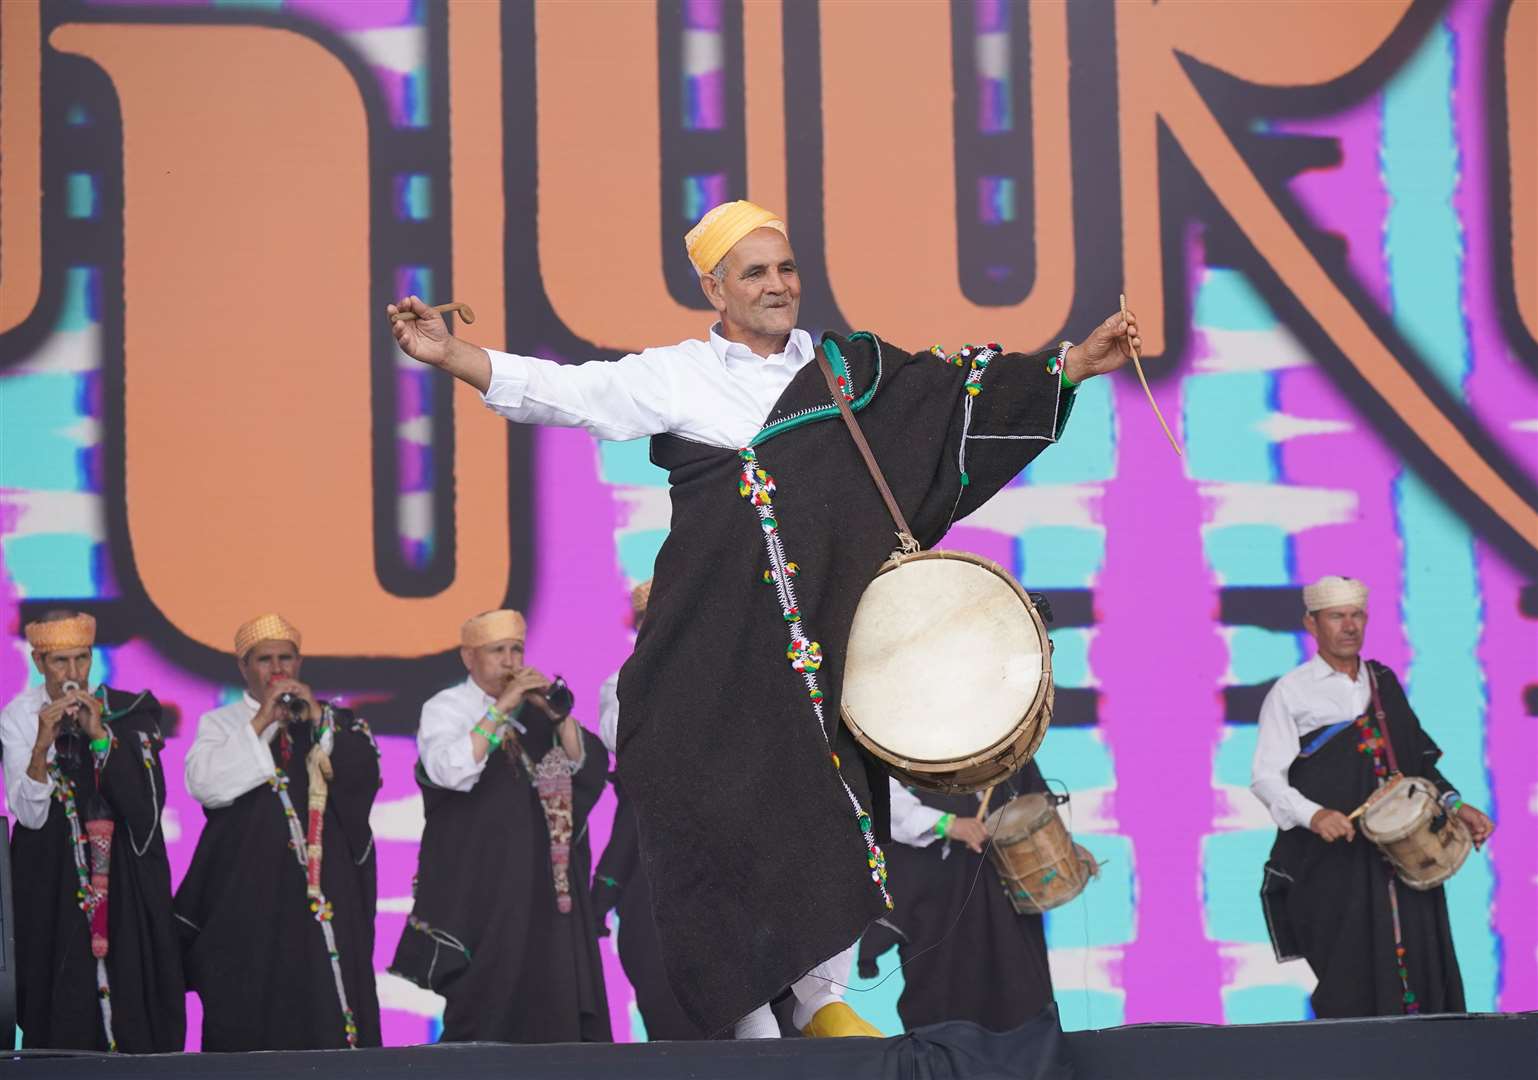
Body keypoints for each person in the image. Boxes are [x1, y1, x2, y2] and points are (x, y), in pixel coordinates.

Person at [387, 198, 1142, 1038]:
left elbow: (956, 404)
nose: (779, 286)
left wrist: (1073, 364)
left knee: (820, 794)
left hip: (827, 634)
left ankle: (819, 995)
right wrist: (450, 353)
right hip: (713, 635)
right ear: (714, 287)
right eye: (755, 273)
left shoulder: (855, 370)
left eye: (786, 268)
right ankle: (747, 1019)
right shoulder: (676, 376)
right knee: (692, 785)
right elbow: (564, 392)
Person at [1253, 576, 1494, 1017]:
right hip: (1335, 863)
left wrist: (1457, 806)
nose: (1349, 626)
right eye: (1336, 616)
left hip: (1406, 858)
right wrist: (1315, 815)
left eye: (1356, 615)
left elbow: (1418, 767)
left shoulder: (1383, 683)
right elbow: (1266, 779)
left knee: (1422, 968)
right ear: (1312, 623)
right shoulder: (1292, 692)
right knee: (1349, 974)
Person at [391, 609, 611, 1043]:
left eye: (516, 650)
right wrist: (503, 708)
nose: (511, 661)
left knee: (553, 1003)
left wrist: (557, 714)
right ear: (469, 657)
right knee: (482, 1005)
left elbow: (587, 768)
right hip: (478, 889)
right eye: (498, 652)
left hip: (544, 888)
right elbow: (449, 770)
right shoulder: (446, 707)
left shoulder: (536, 711)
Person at [175, 614, 382, 1050]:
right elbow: (206, 786)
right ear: (243, 667)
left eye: (285, 658)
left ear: (299, 662)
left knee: (327, 1010)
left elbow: (365, 776)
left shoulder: (330, 720)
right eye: (265, 659)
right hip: (248, 903)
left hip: (324, 898)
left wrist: (320, 716)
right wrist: (264, 719)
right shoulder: (222, 724)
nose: (277, 669)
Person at [2, 611, 183, 1052]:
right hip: (51, 881)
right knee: (60, 993)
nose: (73, 673)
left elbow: (146, 806)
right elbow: (28, 814)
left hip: (121, 880)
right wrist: (43, 741)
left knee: (129, 991)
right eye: (60, 662)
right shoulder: (18, 716)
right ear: (39, 661)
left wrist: (100, 734)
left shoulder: (125, 710)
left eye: (81, 659)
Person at [859, 764, 1056, 1032]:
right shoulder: (891, 730)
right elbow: (875, 793)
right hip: (936, 893)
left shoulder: (1002, 730)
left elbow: (1033, 795)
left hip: (1004, 884)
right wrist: (944, 823)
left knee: (1023, 997)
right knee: (944, 1007)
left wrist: (1060, 843)